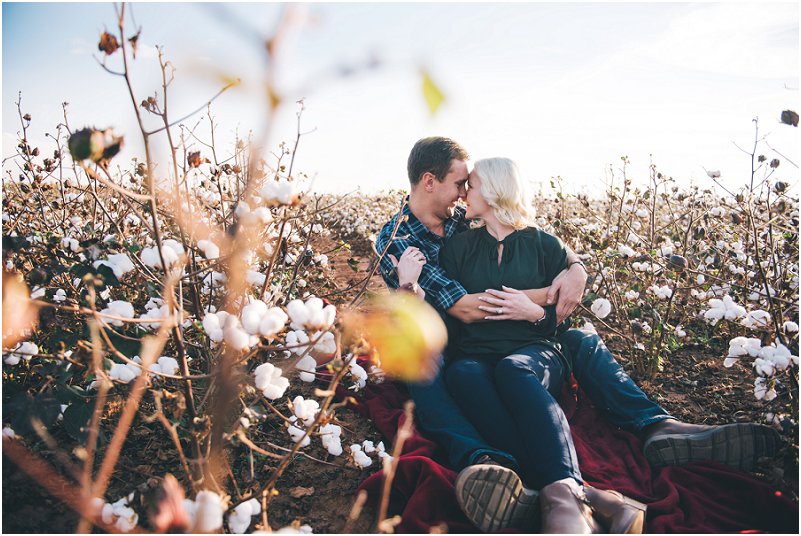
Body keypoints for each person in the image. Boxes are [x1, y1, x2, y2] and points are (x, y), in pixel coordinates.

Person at [374, 137, 782, 533]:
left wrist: (576, 269)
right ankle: (514, 469)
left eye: (470, 184)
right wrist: (539, 300)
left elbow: (536, 242)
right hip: (450, 335)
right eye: (459, 183)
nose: (464, 193)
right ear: (430, 182)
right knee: (441, 369)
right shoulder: (399, 238)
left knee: (579, 341)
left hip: (515, 337)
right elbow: (463, 305)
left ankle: (657, 426)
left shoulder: (465, 217)